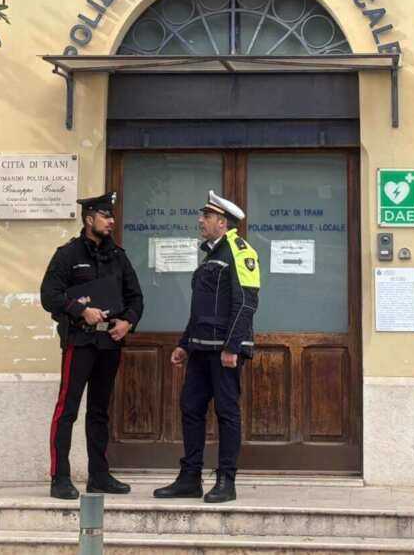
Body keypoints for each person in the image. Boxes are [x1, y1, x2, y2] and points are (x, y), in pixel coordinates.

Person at [154, 190, 260, 504]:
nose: (201, 221)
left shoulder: (239, 251)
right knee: (191, 409)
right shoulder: (212, 254)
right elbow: (200, 309)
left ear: (222, 222)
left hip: (224, 351)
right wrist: (185, 344)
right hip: (200, 349)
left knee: (227, 413)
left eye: (207, 216)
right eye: (202, 216)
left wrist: (232, 346)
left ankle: (226, 480)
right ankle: (190, 478)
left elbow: (246, 304)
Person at [40, 191, 144, 500]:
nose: (112, 221)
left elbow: (135, 297)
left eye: (112, 216)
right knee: (67, 409)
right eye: (106, 216)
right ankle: (60, 477)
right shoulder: (68, 255)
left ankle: (99, 475)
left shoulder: (118, 256)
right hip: (80, 341)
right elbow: (49, 295)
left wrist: (128, 322)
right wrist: (80, 310)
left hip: (108, 342)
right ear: (89, 220)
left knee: (99, 411)